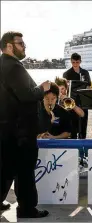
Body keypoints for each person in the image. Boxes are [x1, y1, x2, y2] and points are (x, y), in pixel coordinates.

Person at [0, 31, 50, 217]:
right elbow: (27, 95)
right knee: (24, 172)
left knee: (5, 170)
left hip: (6, 128)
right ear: (9, 46)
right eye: (21, 43)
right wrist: (42, 88)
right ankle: (27, 208)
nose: (24, 46)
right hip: (20, 131)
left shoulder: (2, 64)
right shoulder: (14, 67)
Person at [63, 53, 91, 139]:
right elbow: (64, 89)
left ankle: (83, 144)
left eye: (77, 62)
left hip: (83, 102)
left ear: (80, 62)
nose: (75, 64)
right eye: (73, 62)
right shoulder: (67, 74)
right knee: (73, 127)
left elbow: (89, 86)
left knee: (83, 126)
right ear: (71, 62)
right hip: (72, 102)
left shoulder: (85, 73)